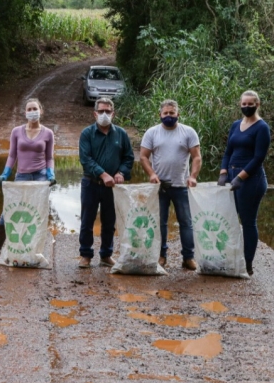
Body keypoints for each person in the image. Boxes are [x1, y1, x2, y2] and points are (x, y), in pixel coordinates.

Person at [0, 98, 56, 263]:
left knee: (36, 215)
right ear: (25, 112)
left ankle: (32, 254)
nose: (32, 112)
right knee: (7, 214)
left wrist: (51, 174)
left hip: (40, 178)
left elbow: (49, 157)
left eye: (35, 108)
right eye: (29, 109)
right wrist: (5, 173)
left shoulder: (48, 133)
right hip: (21, 176)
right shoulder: (16, 131)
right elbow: (12, 155)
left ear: (41, 111)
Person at [140, 99, 201, 270]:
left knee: (186, 222)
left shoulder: (188, 132)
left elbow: (196, 156)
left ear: (177, 114)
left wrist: (193, 176)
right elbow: (143, 157)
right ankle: (161, 256)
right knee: (160, 222)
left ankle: (188, 257)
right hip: (160, 186)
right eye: (165, 113)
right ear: (160, 114)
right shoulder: (152, 133)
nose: (169, 116)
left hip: (182, 185)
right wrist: (151, 174)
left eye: (172, 113)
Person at [218, 90, 270, 276]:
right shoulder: (235, 125)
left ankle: (247, 264)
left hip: (251, 180)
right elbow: (228, 151)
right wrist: (224, 172)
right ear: (239, 104)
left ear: (257, 105)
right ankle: (232, 258)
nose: (246, 107)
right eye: (244, 104)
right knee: (230, 220)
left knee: (247, 222)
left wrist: (241, 176)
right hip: (232, 177)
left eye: (250, 104)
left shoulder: (262, 128)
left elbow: (258, 158)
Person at [78, 97, 133, 268]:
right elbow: (85, 159)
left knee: (109, 222)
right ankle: (86, 254)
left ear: (113, 113)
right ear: (95, 113)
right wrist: (103, 174)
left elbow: (128, 157)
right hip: (91, 183)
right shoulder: (87, 134)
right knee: (87, 220)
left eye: (107, 111)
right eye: (101, 111)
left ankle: (106, 255)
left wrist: (121, 172)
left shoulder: (121, 134)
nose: (104, 114)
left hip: (112, 187)